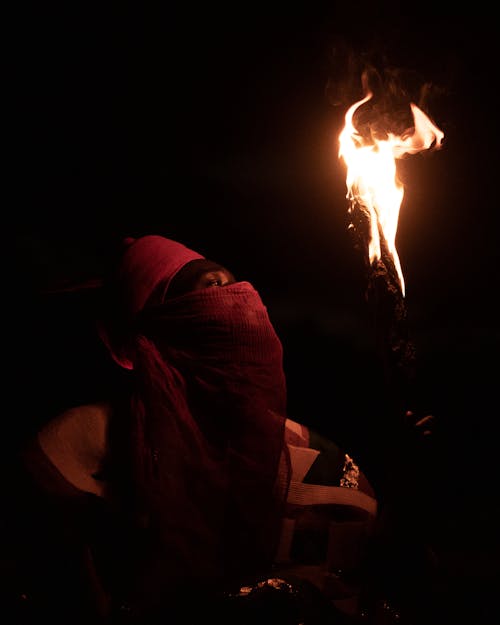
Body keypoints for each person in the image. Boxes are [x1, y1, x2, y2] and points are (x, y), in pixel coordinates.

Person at [3, 234, 384, 625]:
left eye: (236, 293)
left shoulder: (333, 476)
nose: (230, 297)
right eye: (202, 300)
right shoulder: (84, 447)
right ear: (156, 345)